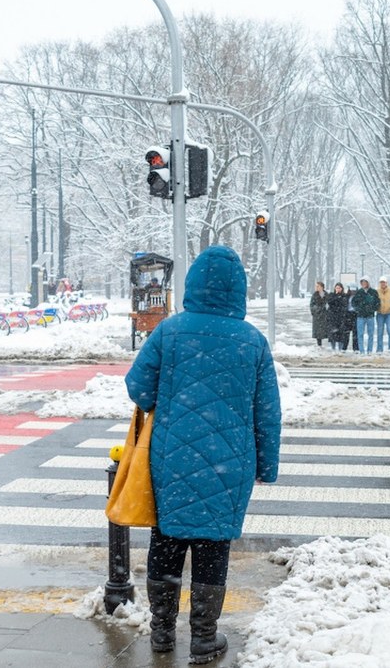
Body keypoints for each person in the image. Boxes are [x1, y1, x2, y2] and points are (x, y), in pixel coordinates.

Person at [125, 245, 281, 665]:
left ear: (193, 284)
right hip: (229, 462)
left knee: (167, 539)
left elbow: (138, 387)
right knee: (213, 547)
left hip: (171, 457)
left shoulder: (170, 331)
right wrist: (267, 465)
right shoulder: (252, 341)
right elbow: (267, 412)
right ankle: (204, 640)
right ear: (239, 291)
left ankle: (160, 633)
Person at [350, 279, 381, 353]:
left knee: (371, 334)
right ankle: (361, 350)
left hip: (370, 316)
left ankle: (369, 350)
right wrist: (358, 309)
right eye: (362, 283)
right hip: (360, 316)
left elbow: (377, 302)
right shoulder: (359, 292)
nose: (364, 284)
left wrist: (373, 309)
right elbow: (353, 302)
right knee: (360, 334)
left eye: (365, 282)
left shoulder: (373, 292)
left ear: (368, 283)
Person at [326, 283, 351, 351]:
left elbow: (344, 304)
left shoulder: (344, 296)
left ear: (342, 288)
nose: (338, 289)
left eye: (339, 288)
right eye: (336, 288)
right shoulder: (331, 295)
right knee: (333, 334)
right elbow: (329, 302)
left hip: (341, 317)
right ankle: (333, 348)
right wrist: (337, 297)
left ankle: (340, 349)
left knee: (341, 334)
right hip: (332, 317)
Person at [376, 277, 390, 353]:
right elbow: (375, 301)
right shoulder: (377, 291)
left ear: (386, 283)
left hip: (389, 314)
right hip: (380, 314)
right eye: (381, 282)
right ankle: (379, 349)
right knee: (380, 331)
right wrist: (377, 307)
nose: (383, 284)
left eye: (384, 282)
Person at [309, 281, 330, 347]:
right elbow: (312, 305)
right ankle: (319, 344)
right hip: (317, 315)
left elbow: (329, 303)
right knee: (318, 330)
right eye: (316, 286)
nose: (316, 287)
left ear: (322, 287)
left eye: (318, 286)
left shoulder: (326, 294)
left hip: (325, 315)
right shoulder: (314, 295)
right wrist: (317, 310)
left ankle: (329, 343)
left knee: (326, 329)